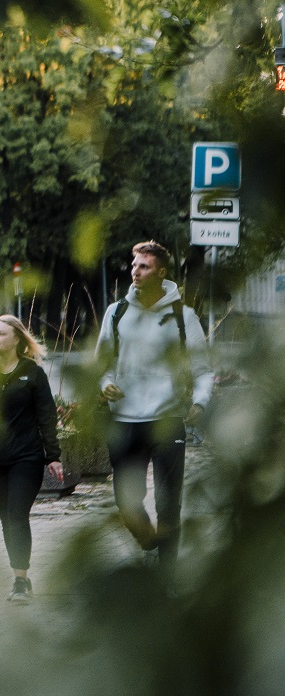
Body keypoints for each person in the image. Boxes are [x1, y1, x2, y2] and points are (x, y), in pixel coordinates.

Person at [95, 241, 211, 570]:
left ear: (161, 273)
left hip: (167, 419)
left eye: (143, 266)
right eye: (134, 265)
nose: (135, 271)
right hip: (124, 421)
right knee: (126, 502)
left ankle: (167, 573)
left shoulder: (183, 317)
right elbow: (101, 366)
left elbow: (203, 371)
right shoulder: (116, 313)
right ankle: (151, 544)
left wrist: (200, 403)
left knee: (168, 502)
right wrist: (105, 384)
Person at [0, 315, 62, 604]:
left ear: (16, 339)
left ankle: (21, 580)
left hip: (27, 458)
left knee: (17, 516)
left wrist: (53, 456)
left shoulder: (32, 373)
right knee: (8, 521)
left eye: (1, 333)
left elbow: (47, 416)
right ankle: (19, 575)